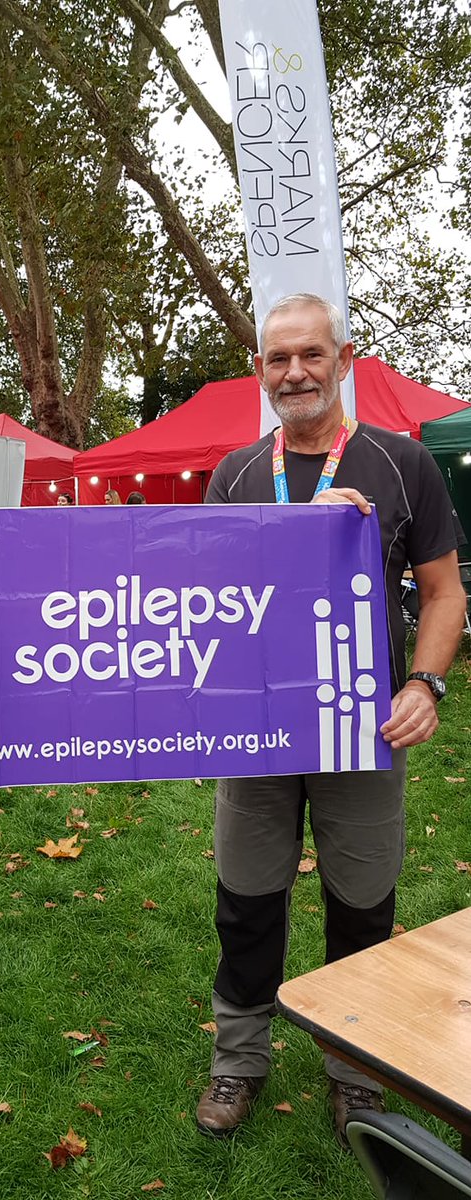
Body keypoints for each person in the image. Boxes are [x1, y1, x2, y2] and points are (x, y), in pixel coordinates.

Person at [196, 293, 466, 1147]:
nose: (294, 372)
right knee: (246, 902)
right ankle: (238, 1061)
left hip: (362, 731)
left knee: (361, 906)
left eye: (310, 355)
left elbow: (443, 591)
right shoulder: (235, 474)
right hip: (260, 730)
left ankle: (356, 1069)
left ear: (342, 359)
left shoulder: (401, 462)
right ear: (259, 371)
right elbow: (203, 604)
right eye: (278, 359)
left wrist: (423, 683)